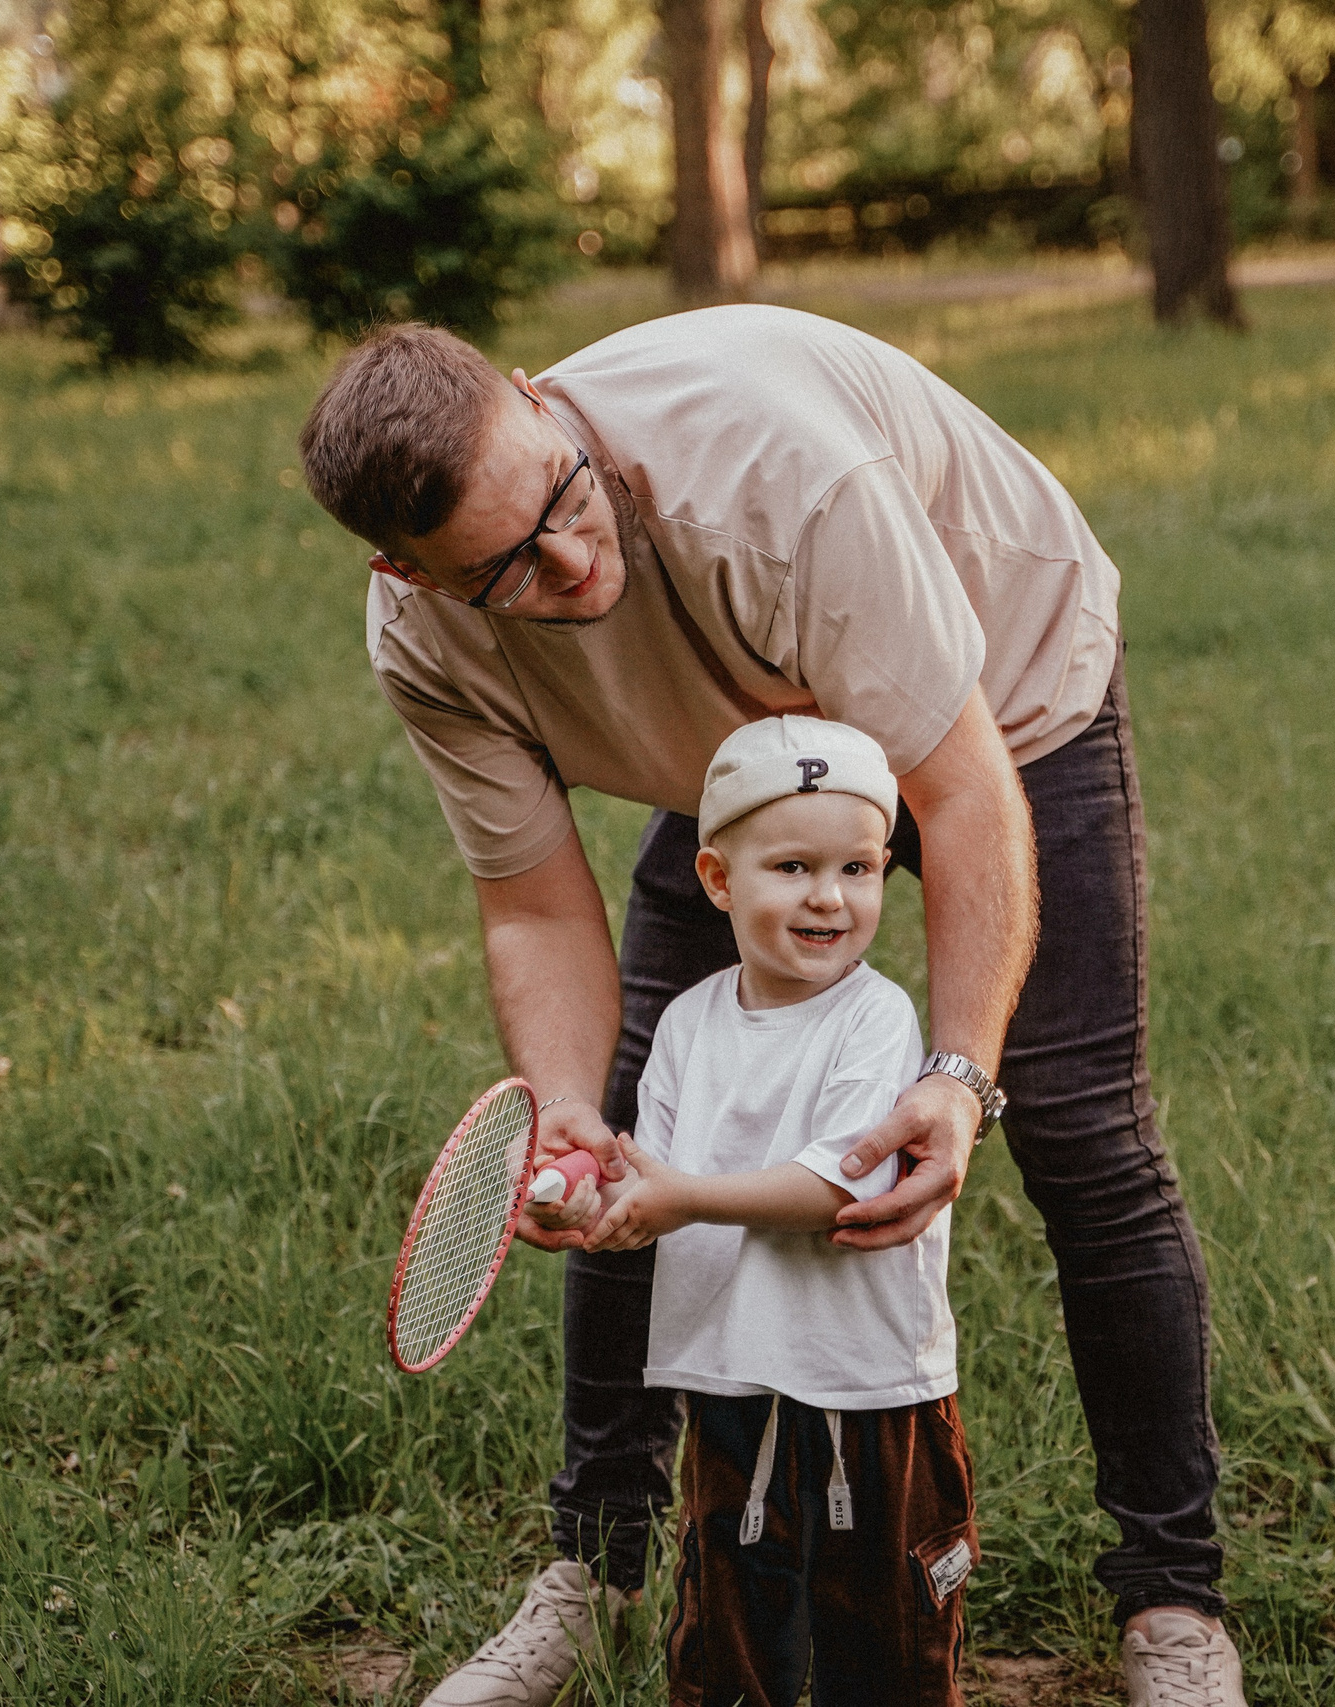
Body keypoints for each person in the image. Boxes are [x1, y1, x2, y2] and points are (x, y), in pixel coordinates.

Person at [296, 307, 1240, 1707]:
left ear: (536, 401)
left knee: (1080, 1126)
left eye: (563, 501)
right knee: (628, 1136)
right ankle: (599, 1571)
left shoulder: (776, 480)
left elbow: (958, 791)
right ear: (409, 575)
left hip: (1000, 694)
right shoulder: (427, 644)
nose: (571, 563)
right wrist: (567, 1109)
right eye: (505, 569)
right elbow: (532, 902)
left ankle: (1173, 1603)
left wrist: (958, 1075)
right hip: (744, 753)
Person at [545, 715, 972, 1707]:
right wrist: (595, 1204)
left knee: (889, 1637)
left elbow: (834, 1188)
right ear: (717, 879)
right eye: (792, 867)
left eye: (858, 868)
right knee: (731, 1632)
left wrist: (681, 1196)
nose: (830, 896)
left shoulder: (876, 1017)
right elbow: (651, 1179)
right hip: (729, 1378)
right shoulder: (686, 1024)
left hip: (867, 1388)